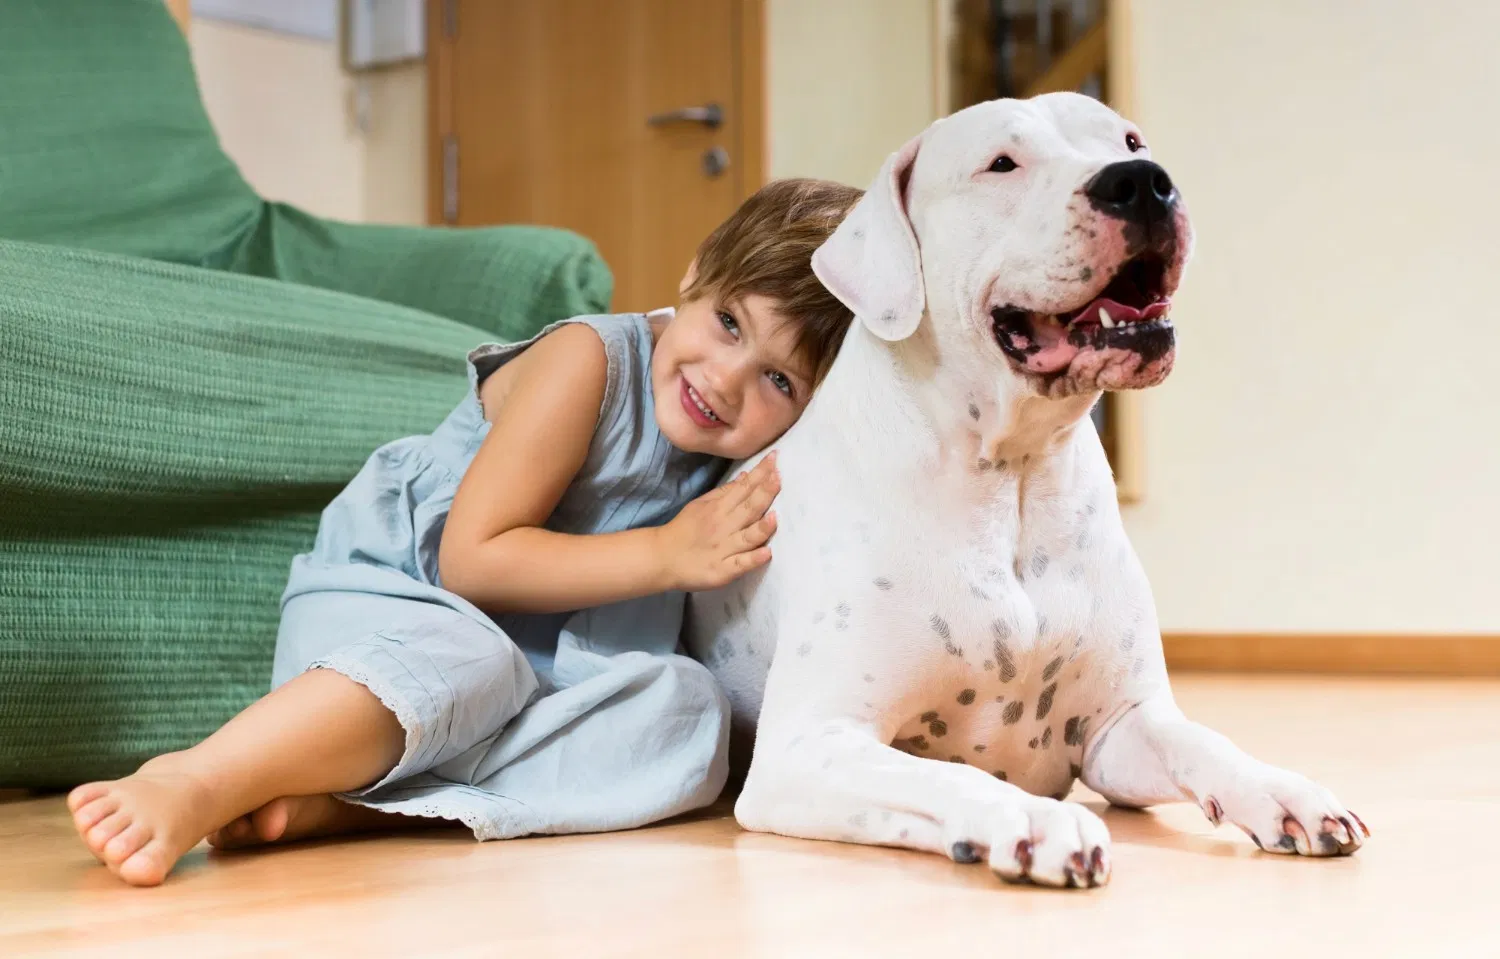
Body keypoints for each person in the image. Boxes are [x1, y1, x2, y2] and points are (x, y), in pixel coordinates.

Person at [66, 177, 864, 887]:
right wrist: (665, 553)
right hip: (393, 614)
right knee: (475, 656)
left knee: (687, 714)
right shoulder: (590, 361)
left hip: (530, 674)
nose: (725, 380)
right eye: (728, 323)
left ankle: (358, 810)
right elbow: (471, 562)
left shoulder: (735, 459)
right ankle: (202, 778)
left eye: (779, 378)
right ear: (694, 275)